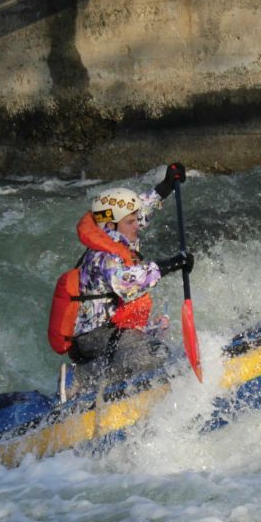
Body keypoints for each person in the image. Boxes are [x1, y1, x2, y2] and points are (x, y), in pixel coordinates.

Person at [63, 163, 193, 388]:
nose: (138, 225)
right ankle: (81, 380)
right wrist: (170, 265)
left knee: (160, 331)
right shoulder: (105, 256)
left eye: (136, 220)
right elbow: (128, 283)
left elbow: (139, 212)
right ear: (112, 225)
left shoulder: (114, 230)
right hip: (93, 336)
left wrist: (165, 186)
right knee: (155, 353)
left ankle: (116, 371)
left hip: (110, 326)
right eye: (130, 222)